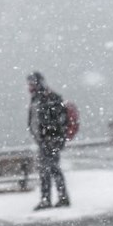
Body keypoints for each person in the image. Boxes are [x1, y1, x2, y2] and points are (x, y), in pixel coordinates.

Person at [27, 71, 71, 209]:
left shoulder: (49, 98)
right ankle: (53, 198)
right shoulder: (38, 98)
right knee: (48, 170)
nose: (29, 86)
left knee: (50, 169)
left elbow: (59, 120)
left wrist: (51, 136)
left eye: (31, 83)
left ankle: (52, 199)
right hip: (44, 141)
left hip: (50, 140)